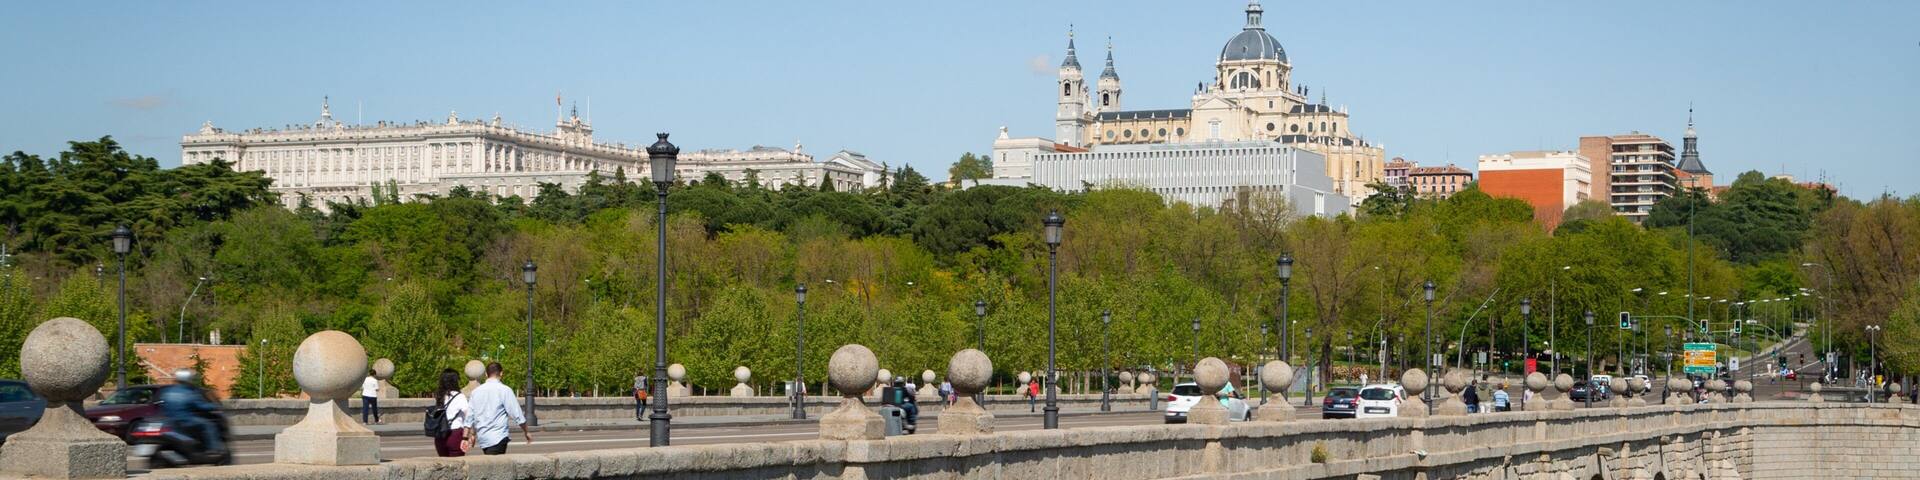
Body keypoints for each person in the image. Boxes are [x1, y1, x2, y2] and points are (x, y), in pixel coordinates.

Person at [469, 362, 532, 455]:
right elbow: (516, 413)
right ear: (501, 373)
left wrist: (472, 434)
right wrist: (526, 431)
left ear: (486, 374)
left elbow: (472, 415)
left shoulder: (476, 392)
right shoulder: (505, 390)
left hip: (483, 438)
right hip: (498, 437)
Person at [160, 368, 224, 455]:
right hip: (186, 420)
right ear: (188, 379)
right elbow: (201, 406)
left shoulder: (168, 391)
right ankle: (213, 449)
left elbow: (162, 405)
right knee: (208, 425)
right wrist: (215, 406)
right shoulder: (189, 392)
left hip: (170, 421)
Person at [432, 369, 473, 457]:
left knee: (445, 464)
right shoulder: (459, 397)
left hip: (440, 435)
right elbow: (469, 417)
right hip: (455, 434)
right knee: (457, 464)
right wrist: (468, 435)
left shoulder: (440, 396)